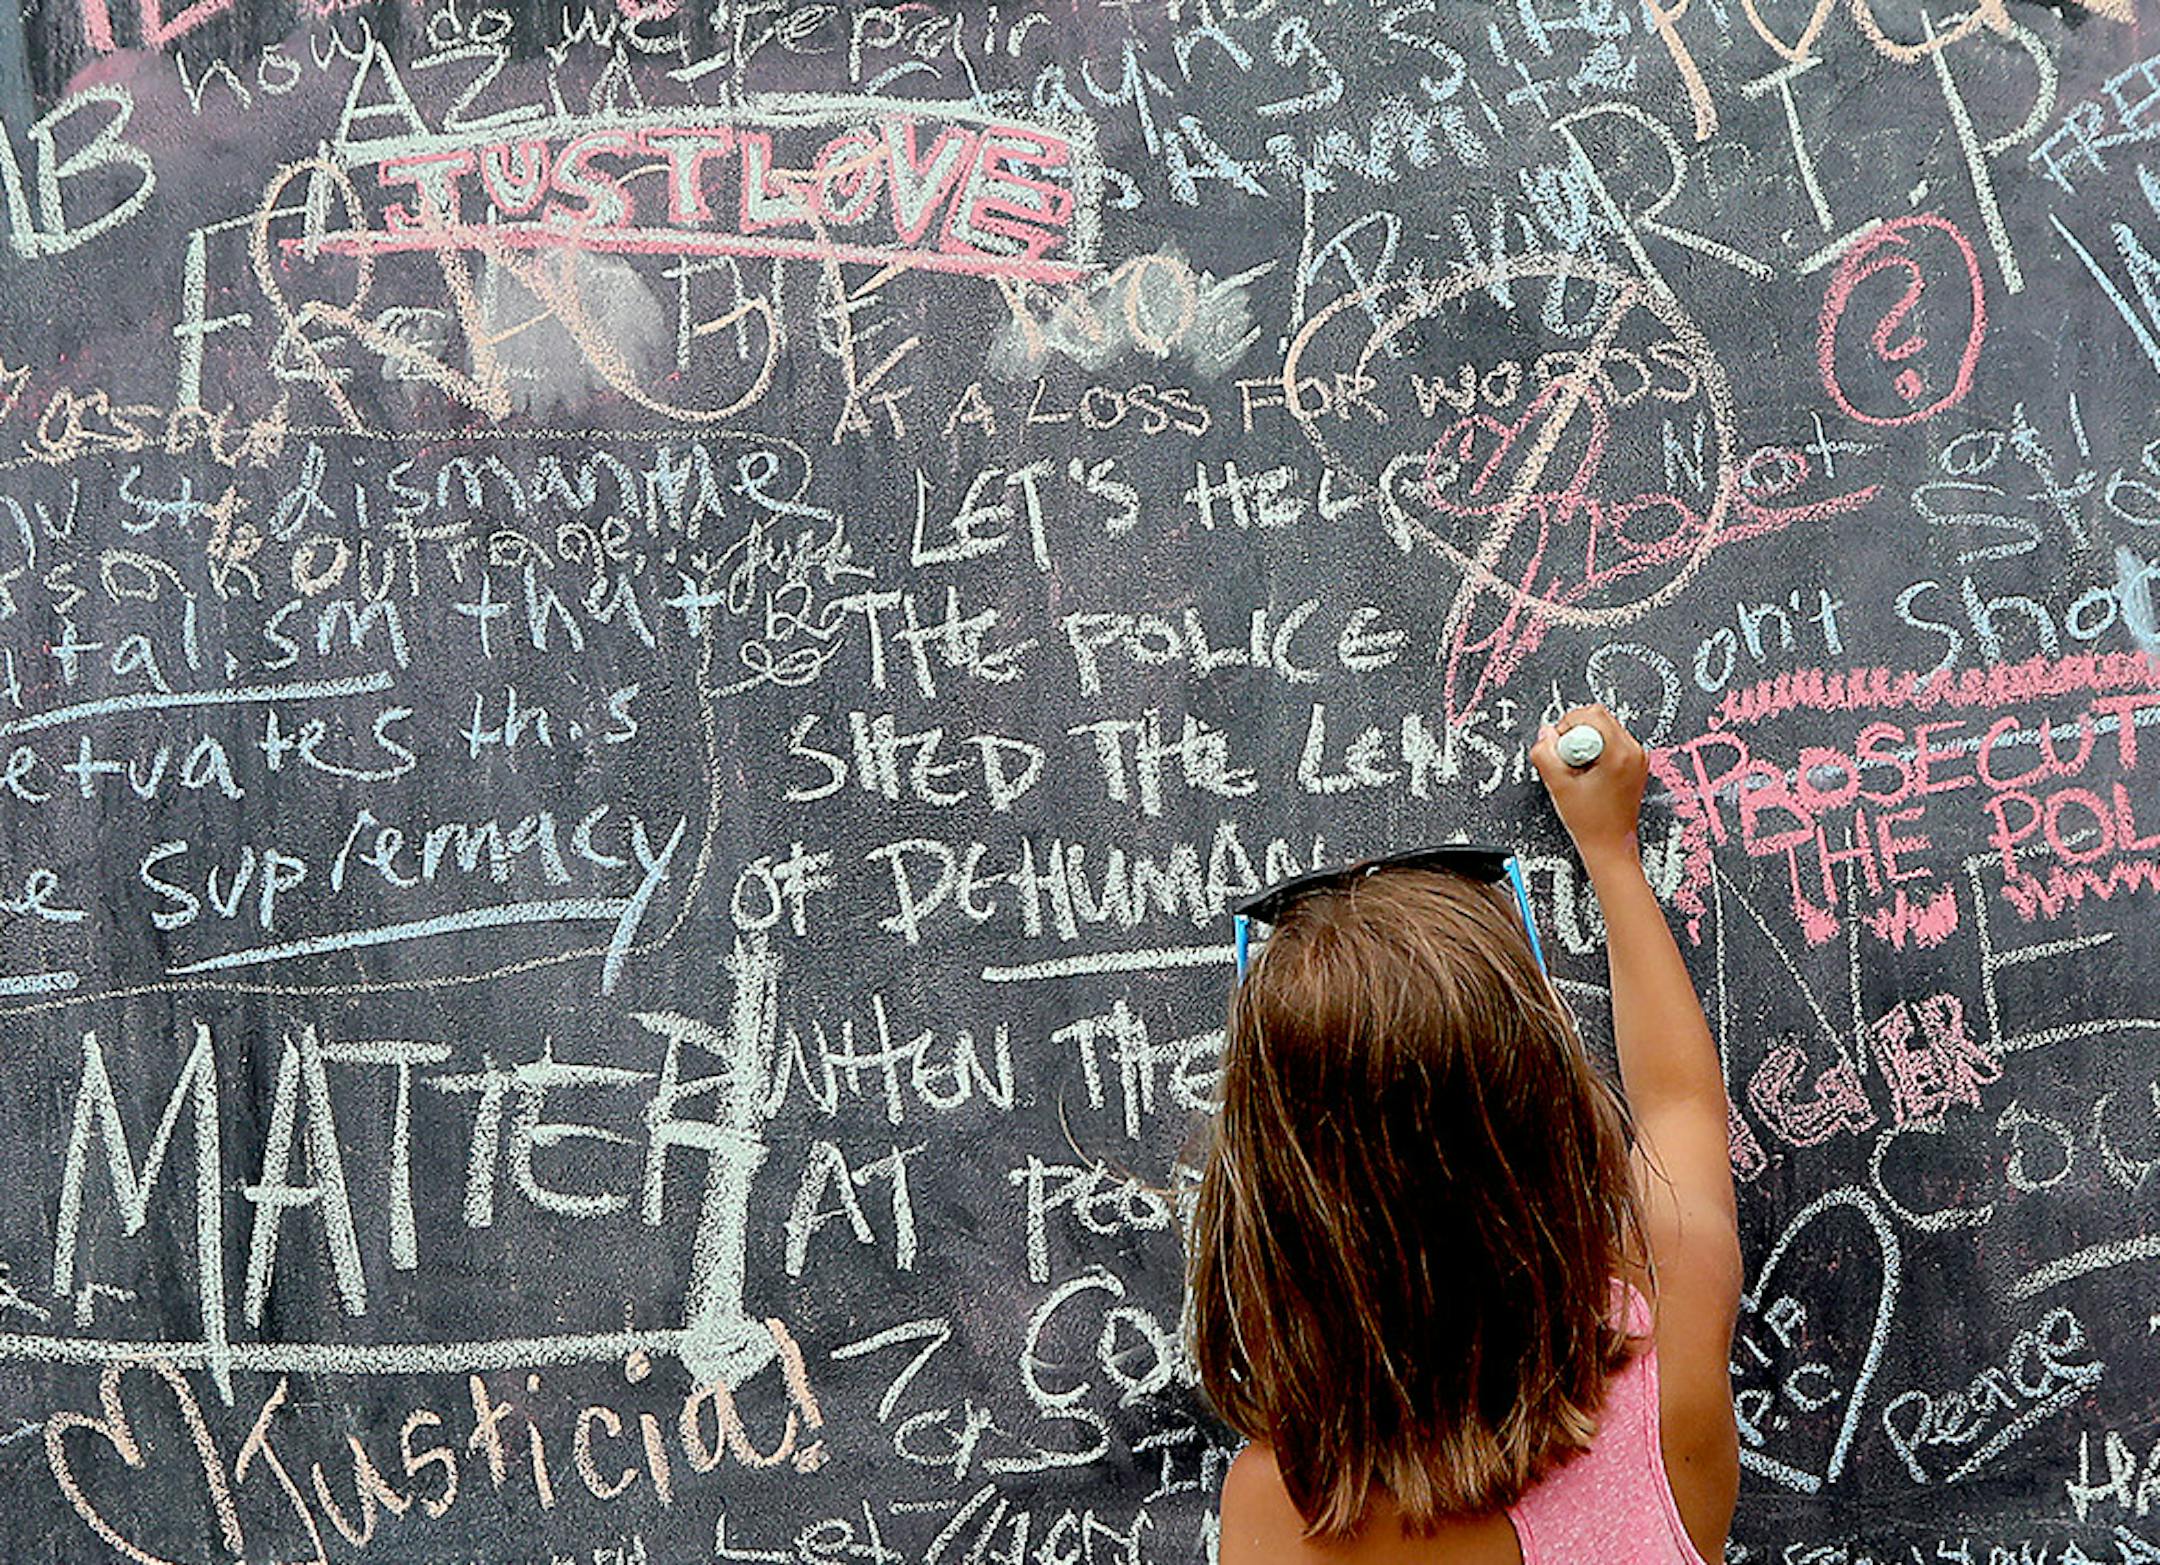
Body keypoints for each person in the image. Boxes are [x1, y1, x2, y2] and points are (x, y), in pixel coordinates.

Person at [1192, 706, 1742, 1564]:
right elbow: (1679, 1104)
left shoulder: (1290, 1505)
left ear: (1280, 1201)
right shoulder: (1669, 1312)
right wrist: (1611, 853)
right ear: (1552, 1107)